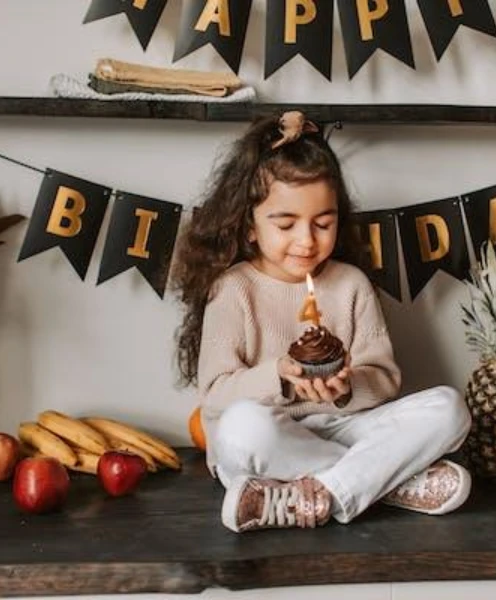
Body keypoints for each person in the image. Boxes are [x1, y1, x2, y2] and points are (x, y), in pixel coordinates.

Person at [172, 111, 472, 533]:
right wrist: (279, 377)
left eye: (323, 223)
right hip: (270, 440)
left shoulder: (350, 284)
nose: (307, 240)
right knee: (242, 427)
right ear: (250, 226)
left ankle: (316, 494)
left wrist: (347, 387)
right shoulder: (234, 289)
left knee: (449, 408)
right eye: (286, 223)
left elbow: (385, 379)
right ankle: (388, 484)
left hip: (342, 429)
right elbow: (216, 396)